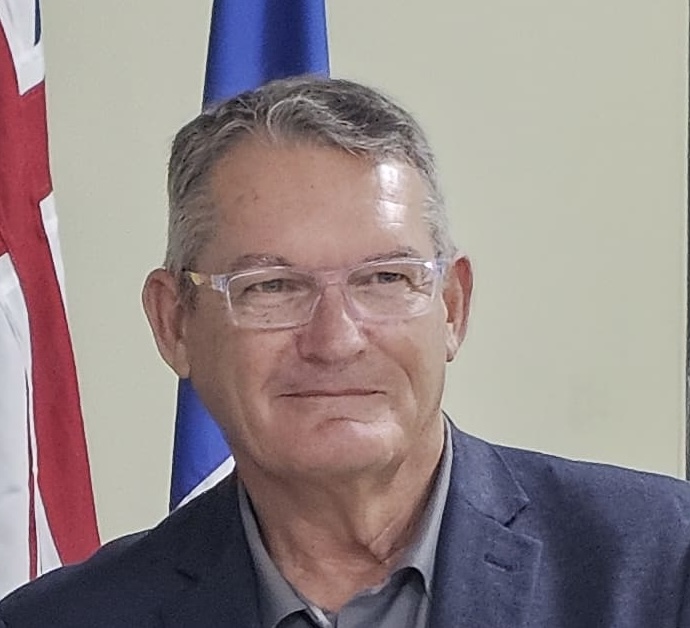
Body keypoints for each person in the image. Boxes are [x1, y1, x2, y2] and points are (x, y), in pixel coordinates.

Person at [1, 77, 689, 628]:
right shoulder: (62, 619)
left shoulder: (665, 566)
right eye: (272, 286)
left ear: (451, 307)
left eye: (385, 279)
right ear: (174, 323)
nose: (336, 340)